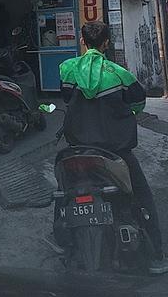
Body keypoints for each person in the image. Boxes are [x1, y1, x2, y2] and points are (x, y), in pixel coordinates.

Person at [58, 21, 168, 275]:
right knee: (141, 197)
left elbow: (64, 98)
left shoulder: (67, 70)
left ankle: (66, 246)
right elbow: (139, 103)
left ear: (83, 42)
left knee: (63, 193)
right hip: (115, 152)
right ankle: (156, 256)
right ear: (106, 43)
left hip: (76, 149)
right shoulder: (120, 74)